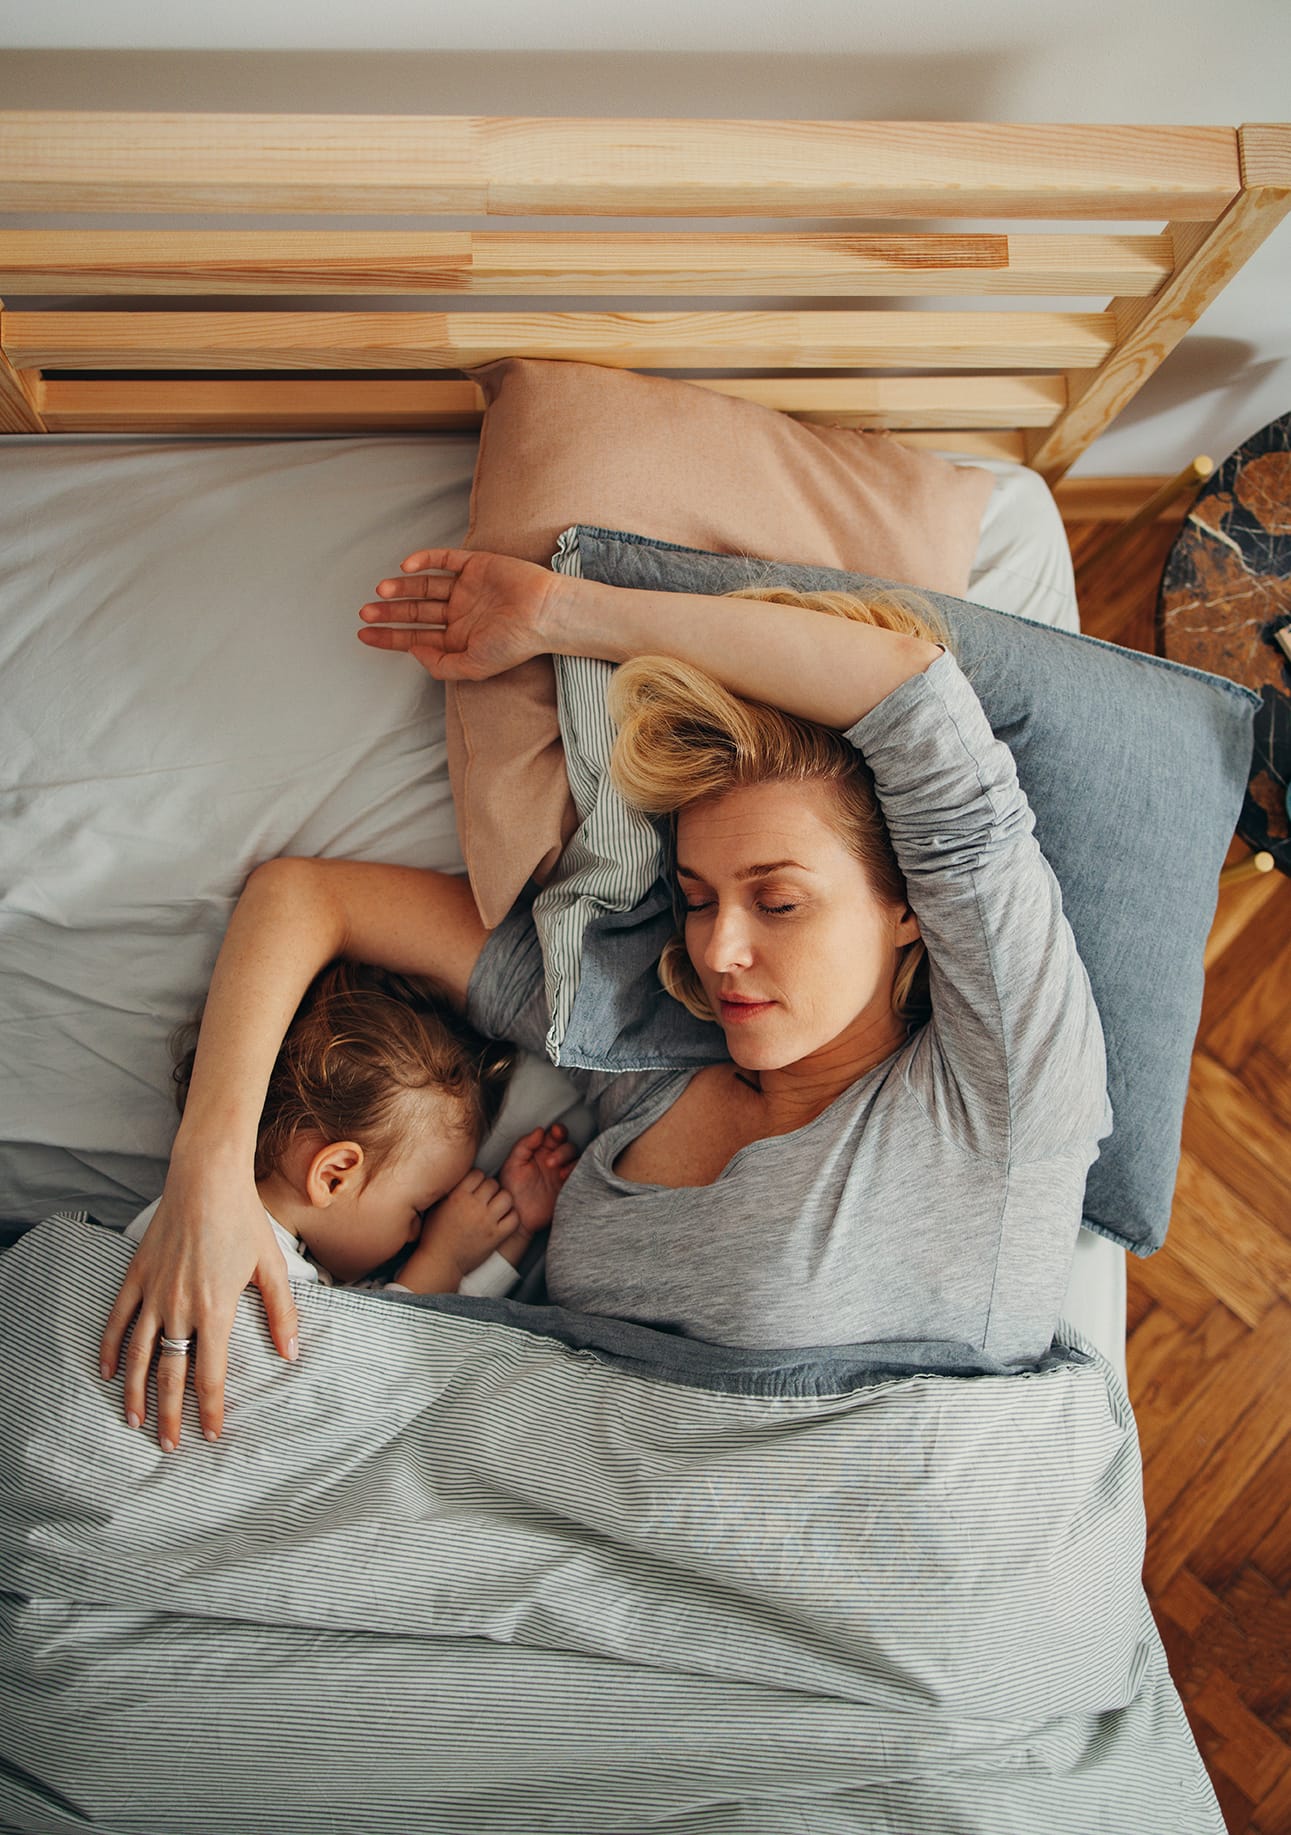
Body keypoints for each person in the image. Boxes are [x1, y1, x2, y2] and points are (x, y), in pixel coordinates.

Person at [101, 546, 1112, 1449]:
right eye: (698, 897)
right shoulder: (639, 1045)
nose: (718, 948)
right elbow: (301, 898)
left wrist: (560, 613)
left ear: (908, 907)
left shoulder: (1000, 1093)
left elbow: (911, 694)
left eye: (779, 900)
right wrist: (211, 1174)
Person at [118, 958, 575, 1443]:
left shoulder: (208, 1219)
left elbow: (438, 1321)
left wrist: (515, 1234)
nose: (419, 1232)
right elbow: (380, 1369)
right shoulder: (229, 1255)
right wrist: (440, 1258)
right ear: (334, 1178)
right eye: (419, 1211)